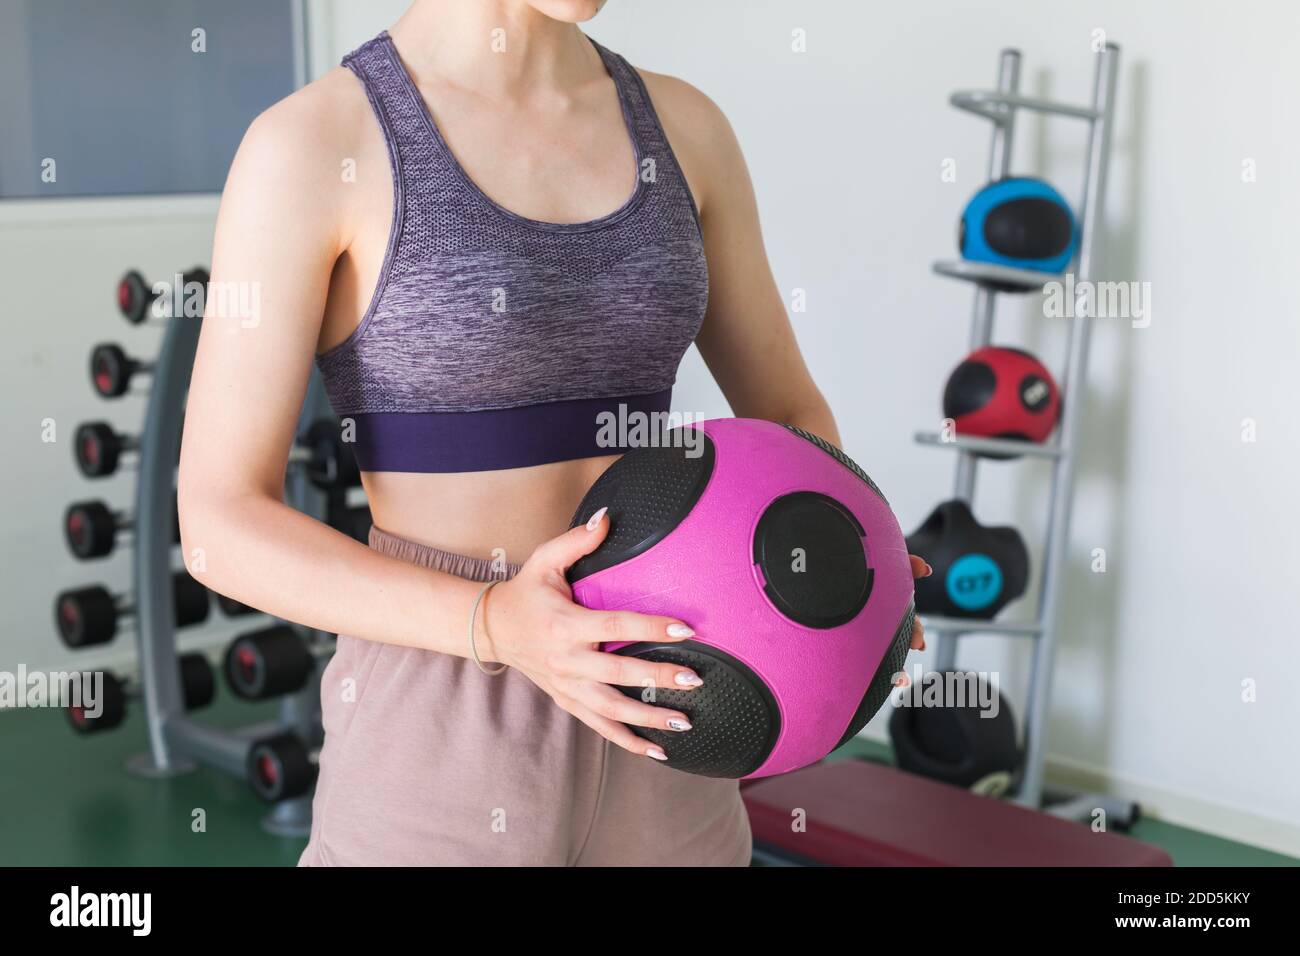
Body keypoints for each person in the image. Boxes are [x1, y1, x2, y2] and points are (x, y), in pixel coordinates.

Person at [178, 0, 927, 866]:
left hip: (674, 694)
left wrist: (835, 565)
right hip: (447, 703)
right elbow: (220, 528)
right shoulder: (313, 144)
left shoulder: (685, 128)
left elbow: (791, 415)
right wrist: (498, 622)